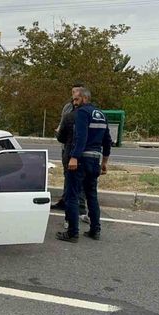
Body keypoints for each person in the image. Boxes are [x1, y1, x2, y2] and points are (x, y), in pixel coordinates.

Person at [56, 87, 112, 243]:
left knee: (72, 195)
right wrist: (105, 162)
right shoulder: (101, 114)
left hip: (80, 159)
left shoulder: (82, 113)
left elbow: (81, 137)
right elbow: (107, 140)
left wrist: (74, 157)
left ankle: (72, 233)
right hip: (95, 159)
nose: (74, 103)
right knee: (92, 196)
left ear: (85, 99)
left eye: (76, 99)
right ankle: (95, 230)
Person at [51, 83, 87, 217]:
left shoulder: (85, 110)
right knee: (67, 176)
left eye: (77, 93)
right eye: (73, 92)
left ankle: (81, 206)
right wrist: (59, 130)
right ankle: (64, 200)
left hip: (78, 149)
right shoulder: (67, 107)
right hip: (65, 147)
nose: (74, 96)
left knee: (80, 178)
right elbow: (62, 124)